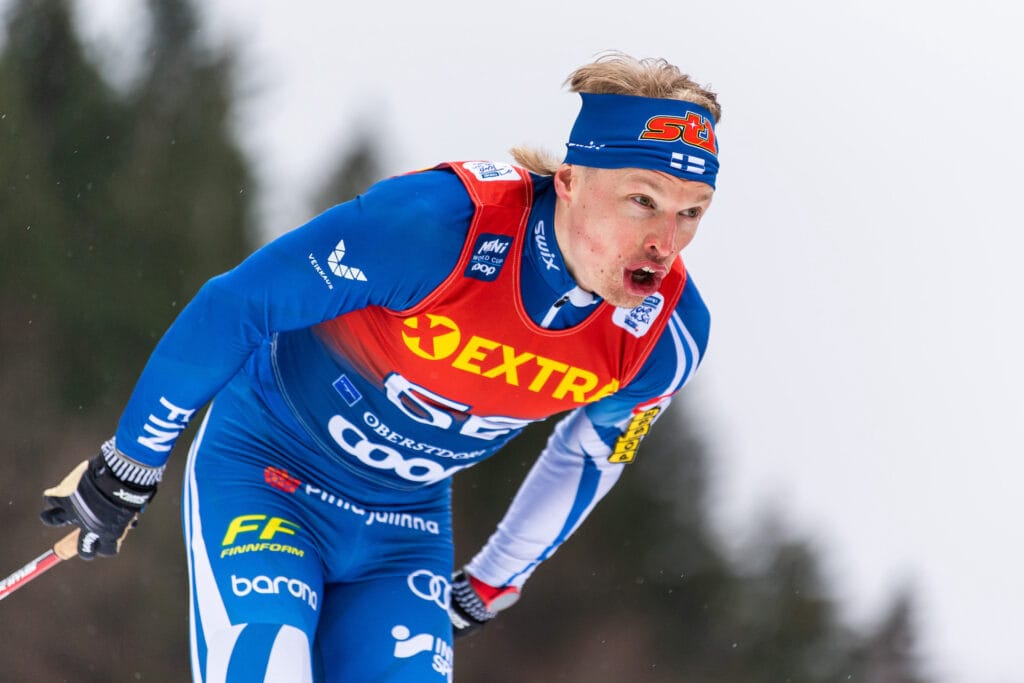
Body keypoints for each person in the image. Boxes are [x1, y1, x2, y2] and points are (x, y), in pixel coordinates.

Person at [39, 51, 722, 682]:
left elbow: (592, 454)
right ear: (570, 181)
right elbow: (239, 304)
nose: (666, 242)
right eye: (644, 201)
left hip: (403, 530)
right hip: (268, 471)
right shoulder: (439, 227)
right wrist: (131, 462)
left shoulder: (665, 337)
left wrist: (491, 581)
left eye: (691, 212)